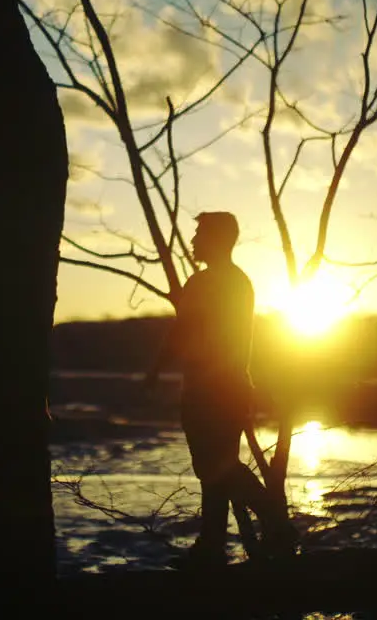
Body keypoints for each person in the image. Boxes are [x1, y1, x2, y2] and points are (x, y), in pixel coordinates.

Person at [145, 211, 288, 567]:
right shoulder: (239, 282)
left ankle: (273, 521)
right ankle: (213, 546)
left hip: (211, 391)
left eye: (200, 234)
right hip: (230, 388)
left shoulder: (208, 283)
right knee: (215, 469)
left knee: (215, 467)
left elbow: (182, 332)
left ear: (217, 239)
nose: (193, 241)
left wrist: (155, 371)